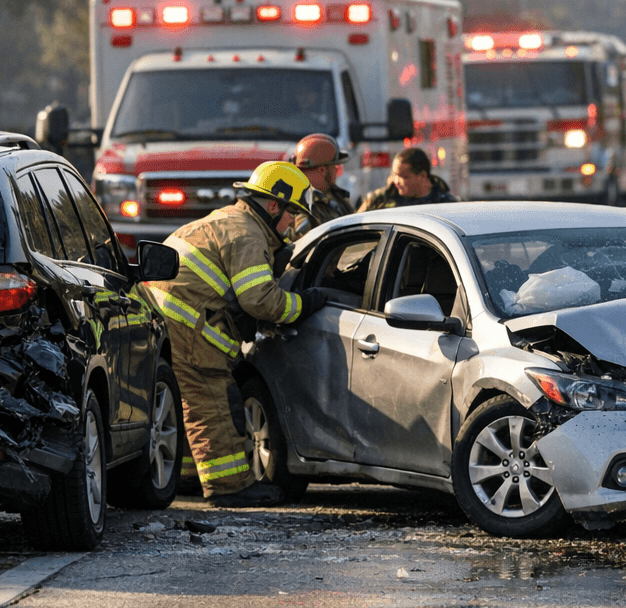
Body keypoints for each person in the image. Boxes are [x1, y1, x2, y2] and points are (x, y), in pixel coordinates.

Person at [148, 161, 327, 508]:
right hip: (188, 328)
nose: (293, 224)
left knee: (185, 401)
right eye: (292, 213)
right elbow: (261, 300)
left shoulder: (226, 220)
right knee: (213, 401)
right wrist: (305, 303)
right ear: (273, 205)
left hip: (163, 322)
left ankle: (187, 477)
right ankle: (228, 487)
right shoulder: (248, 234)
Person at [285, 133, 355, 237]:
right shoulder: (297, 208)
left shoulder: (334, 196)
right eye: (333, 166)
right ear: (322, 170)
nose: (336, 170)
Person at [357, 146, 457, 211]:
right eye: (395, 175)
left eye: (403, 176)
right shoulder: (381, 199)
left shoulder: (447, 204)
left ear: (422, 175)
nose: (396, 181)